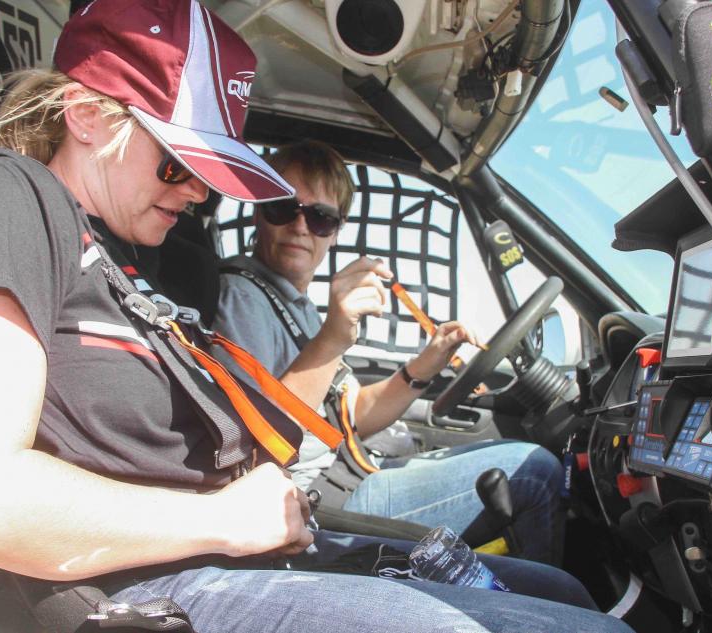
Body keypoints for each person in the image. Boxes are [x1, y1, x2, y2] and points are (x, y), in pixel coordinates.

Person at [0, 1, 633, 632]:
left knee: (564, 598)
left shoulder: (121, 255)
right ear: (87, 116)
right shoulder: (13, 198)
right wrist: (223, 518)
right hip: (162, 583)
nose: (196, 196)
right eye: (178, 164)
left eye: (209, 177)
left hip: (241, 546)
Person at [213, 141, 566, 565]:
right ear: (258, 209)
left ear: (336, 230)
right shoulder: (241, 296)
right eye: (283, 207)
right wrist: (333, 338)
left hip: (353, 470)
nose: (301, 226)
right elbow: (252, 446)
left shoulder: (295, 304)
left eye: (320, 217)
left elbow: (351, 416)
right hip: (318, 503)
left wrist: (423, 366)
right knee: (536, 471)